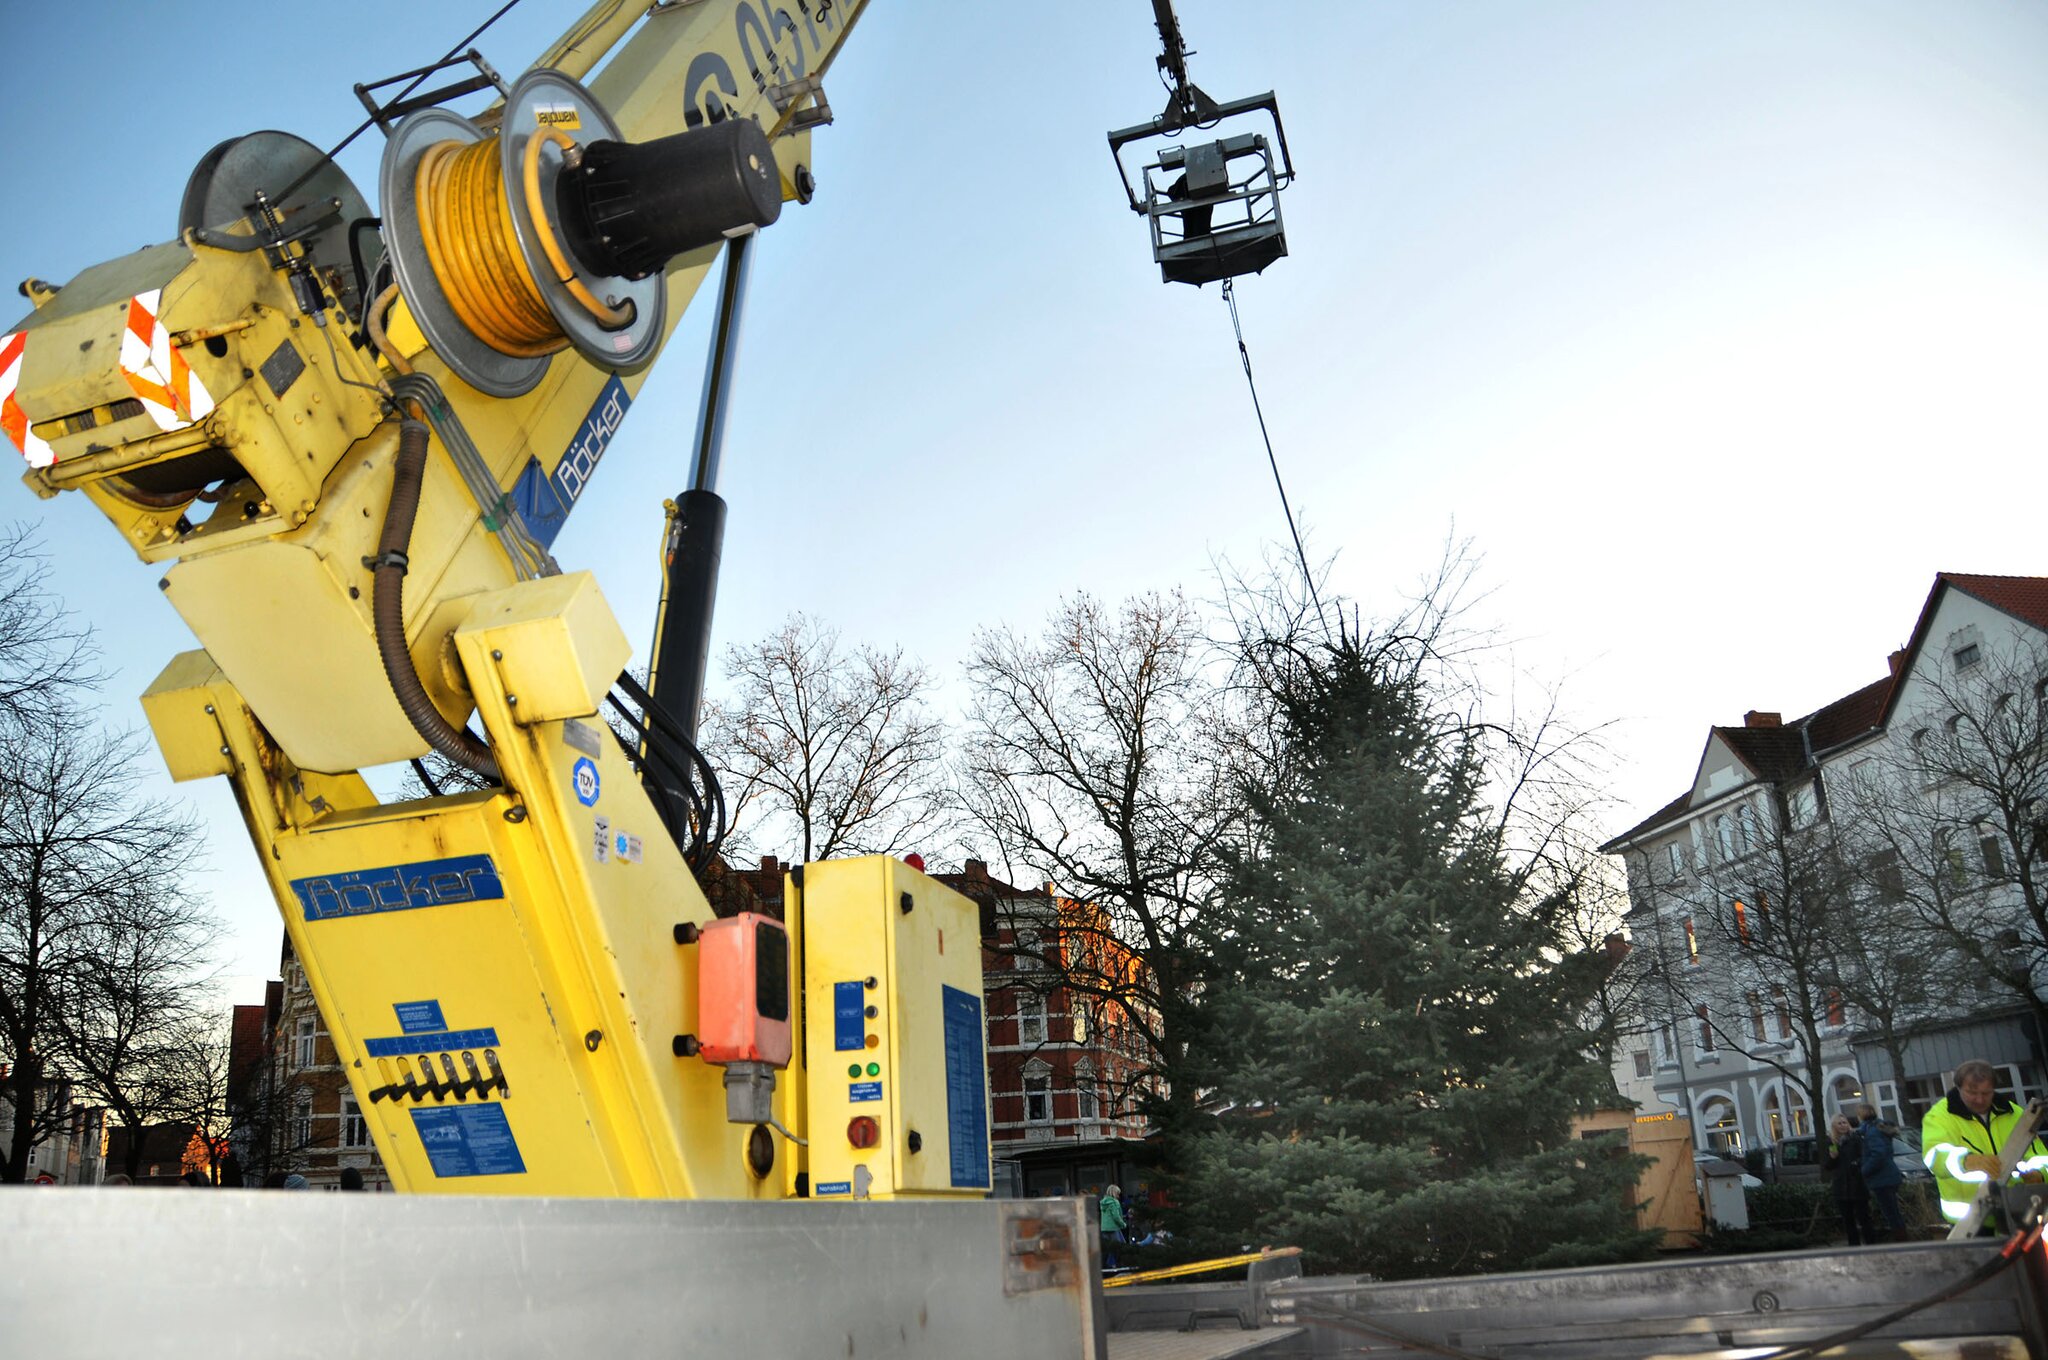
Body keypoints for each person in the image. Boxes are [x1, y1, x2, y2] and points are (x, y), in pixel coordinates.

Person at [1921, 1058, 2048, 1230]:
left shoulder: (2014, 1113)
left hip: (2017, 1212)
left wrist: (2040, 1174)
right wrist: (1965, 1162)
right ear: (1958, 1088)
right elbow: (1934, 1155)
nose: (1979, 1099)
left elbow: (2039, 1155)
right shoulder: (1939, 1117)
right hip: (1970, 1223)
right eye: (1972, 1093)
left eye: (1986, 1093)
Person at [1856, 1102, 1906, 1242]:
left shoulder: (1871, 1132)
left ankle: (1902, 1242)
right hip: (1890, 1175)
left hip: (1882, 1178)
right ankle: (1902, 1239)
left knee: (1891, 1213)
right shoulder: (1880, 1128)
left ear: (1861, 1115)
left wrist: (1864, 1170)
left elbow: (1878, 1154)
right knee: (1893, 1212)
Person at [1822, 1114, 1872, 1245]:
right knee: (1848, 1220)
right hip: (1841, 1186)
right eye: (1839, 1123)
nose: (1843, 1125)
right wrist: (1833, 1157)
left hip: (1857, 1184)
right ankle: (1854, 1245)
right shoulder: (1831, 1142)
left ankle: (1871, 1244)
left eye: (1844, 1122)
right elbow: (1827, 1166)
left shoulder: (1855, 1139)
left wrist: (1857, 1164)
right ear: (1834, 1126)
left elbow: (1864, 1156)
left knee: (1864, 1217)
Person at [1100, 1184, 1128, 1267]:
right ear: (1114, 1193)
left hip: (1104, 1229)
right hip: (1113, 1228)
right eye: (1118, 1193)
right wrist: (1123, 1224)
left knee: (1107, 1248)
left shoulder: (1103, 1202)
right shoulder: (1114, 1202)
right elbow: (1116, 1216)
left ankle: (1106, 1265)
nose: (1118, 1195)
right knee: (1121, 1246)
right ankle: (1116, 1264)